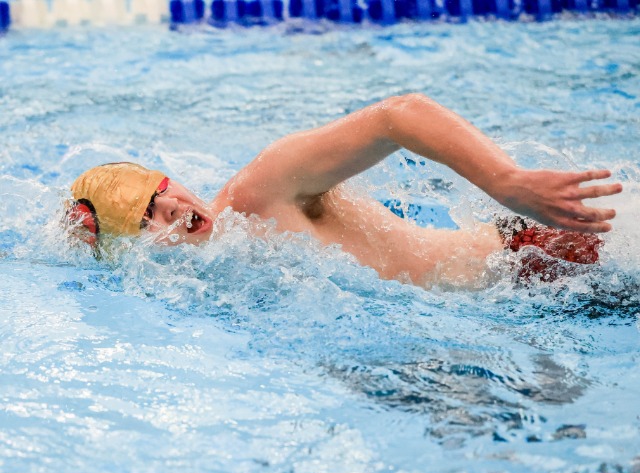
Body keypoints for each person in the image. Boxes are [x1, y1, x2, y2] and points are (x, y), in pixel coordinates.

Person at [68, 94, 622, 288]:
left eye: (162, 194)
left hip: (555, 249)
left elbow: (398, 115)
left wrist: (509, 182)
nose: (172, 211)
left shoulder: (260, 192)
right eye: (146, 220)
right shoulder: (208, 284)